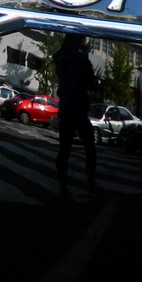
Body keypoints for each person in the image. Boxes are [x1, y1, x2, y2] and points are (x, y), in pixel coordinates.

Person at [53, 33, 96, 195]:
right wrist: (85, 55)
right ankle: (91, 183)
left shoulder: (60, 57)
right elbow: (90, 82)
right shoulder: (81, 59)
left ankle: (63, 186)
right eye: (81, 39)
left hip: (65, 107)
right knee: (90, 148)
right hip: (78, 107)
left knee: (64, 149)